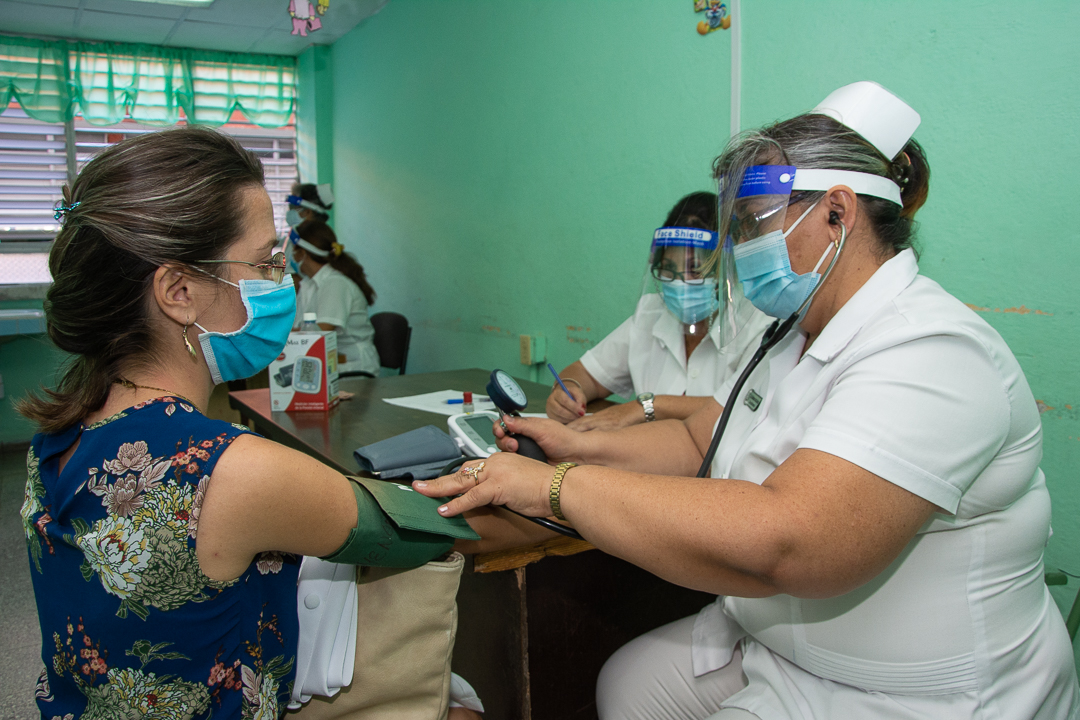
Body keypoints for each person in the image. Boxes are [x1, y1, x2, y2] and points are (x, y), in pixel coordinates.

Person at [415, 82, 1080, 719]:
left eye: (753, 224)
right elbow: (707, 435)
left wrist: (556, 487)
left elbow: (791, 538)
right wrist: (583, 443)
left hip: (919, 694)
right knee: (626, 686)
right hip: (783, 649)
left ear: (838, 213)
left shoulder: (933, 351)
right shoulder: (793, 329)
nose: (739, 250)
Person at [18, 127, 479, 720]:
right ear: (179, 291)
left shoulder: (55, 439)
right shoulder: (232, 470)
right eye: (264, 261)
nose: (280, 279)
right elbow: (428, 528)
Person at [547, 192, 771, 431]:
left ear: (726, 269)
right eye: (668, 270)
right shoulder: (652, 312)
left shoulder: (758, 323)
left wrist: (645, 407)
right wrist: (568, 390)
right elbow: (587, 374)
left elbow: (740, 406)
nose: (679, 283)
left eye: (695, 270)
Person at [290, 219, 381, 376]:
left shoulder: (335, 284)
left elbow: (318, 334)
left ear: (303, 253)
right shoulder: (309, 284)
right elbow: (299, 326)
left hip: (353, 370)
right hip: (328, 365)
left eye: (293, 251)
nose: (291, 257)